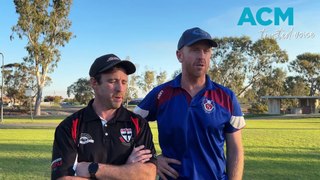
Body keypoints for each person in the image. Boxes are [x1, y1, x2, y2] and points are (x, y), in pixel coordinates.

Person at [134, 27, 245, 180]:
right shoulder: (161, 94)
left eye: (206, 51)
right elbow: (127, 126)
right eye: (195, 50)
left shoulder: (226, 96)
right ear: (180, 55)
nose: (202, 56)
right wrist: (152, 160)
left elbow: (236, 149)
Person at [51, 54, 157, 180]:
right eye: (112, 81)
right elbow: (63, 179)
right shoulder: (69, 126)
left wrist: (93, 169)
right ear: (94, 83)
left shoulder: (138, 124)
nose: (120, 88)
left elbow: (148, 175)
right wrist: (127, 172)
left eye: (124, 82)